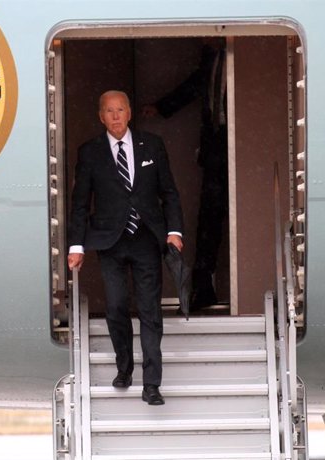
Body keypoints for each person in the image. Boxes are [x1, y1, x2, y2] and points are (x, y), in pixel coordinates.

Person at [67, 90, 184, 406]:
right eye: (109, 111)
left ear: (130, 113)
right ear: (100, 116)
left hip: (147, 238)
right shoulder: (90, 152)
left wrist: (174, 231)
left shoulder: (152, 145)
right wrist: (76, 245)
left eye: (120, 109)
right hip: (110, 240)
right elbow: (80, 204)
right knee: (117, 306)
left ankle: (151, 384)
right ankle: (124, 366)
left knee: (150, 311)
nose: (116, 116)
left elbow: (169, 192)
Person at [142, 38, 227, 310]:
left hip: (240, 144)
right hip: (215, 145)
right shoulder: (211, 57)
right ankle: (203, 286)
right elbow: (194, 86)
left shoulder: (238, 56)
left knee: (230, 217)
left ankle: (216, 286)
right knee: (209, 217)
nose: (203, 39)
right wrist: (161, 107)